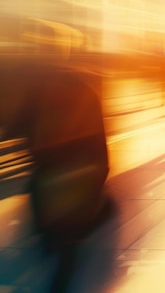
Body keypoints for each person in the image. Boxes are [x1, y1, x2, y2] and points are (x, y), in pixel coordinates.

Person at [2, 61, 112, 292]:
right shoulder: (81, 92)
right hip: (71, 176)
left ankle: (58, 261)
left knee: (57, 237)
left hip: (57, 176)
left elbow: (16, 127)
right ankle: (64, 253)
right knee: (64, 239)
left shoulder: (38, 95)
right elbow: (99, 145)